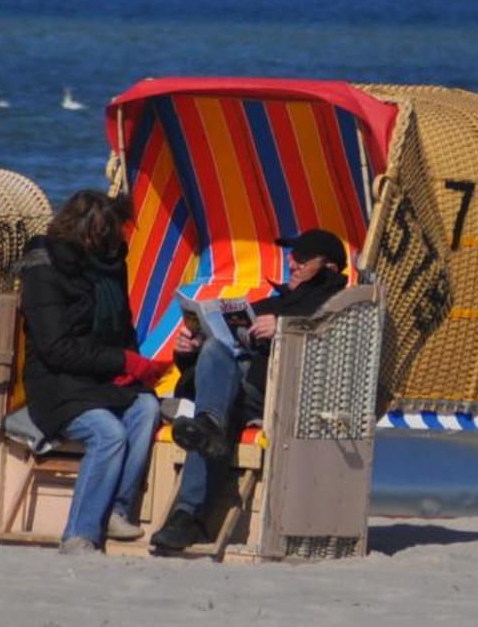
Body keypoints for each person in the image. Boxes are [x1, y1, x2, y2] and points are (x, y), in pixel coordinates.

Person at [149, 228, 351, 555]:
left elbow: (337, 351)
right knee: (213, 354)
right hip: (242, 388)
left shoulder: (339, 307)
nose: (292, 262)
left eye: (301, 258)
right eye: (291, 255)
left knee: (213, 411)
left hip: (283, 393)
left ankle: (188, 514)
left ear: (327, 266)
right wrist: (189, 348)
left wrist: (285, 329)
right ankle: (189, 505)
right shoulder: (277, 300)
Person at [16, 190, 167, 555]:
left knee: (146, 408)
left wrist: (133, 365)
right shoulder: (45, 268)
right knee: (108, 432)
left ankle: (117, 509)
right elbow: (56, 349)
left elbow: (122, 329)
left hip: (97, 378)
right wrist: (122, 362)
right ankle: (79, 534)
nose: (114, 247)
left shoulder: (110, 267)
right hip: (56, 382)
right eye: (106, 238)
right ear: (86, 236)